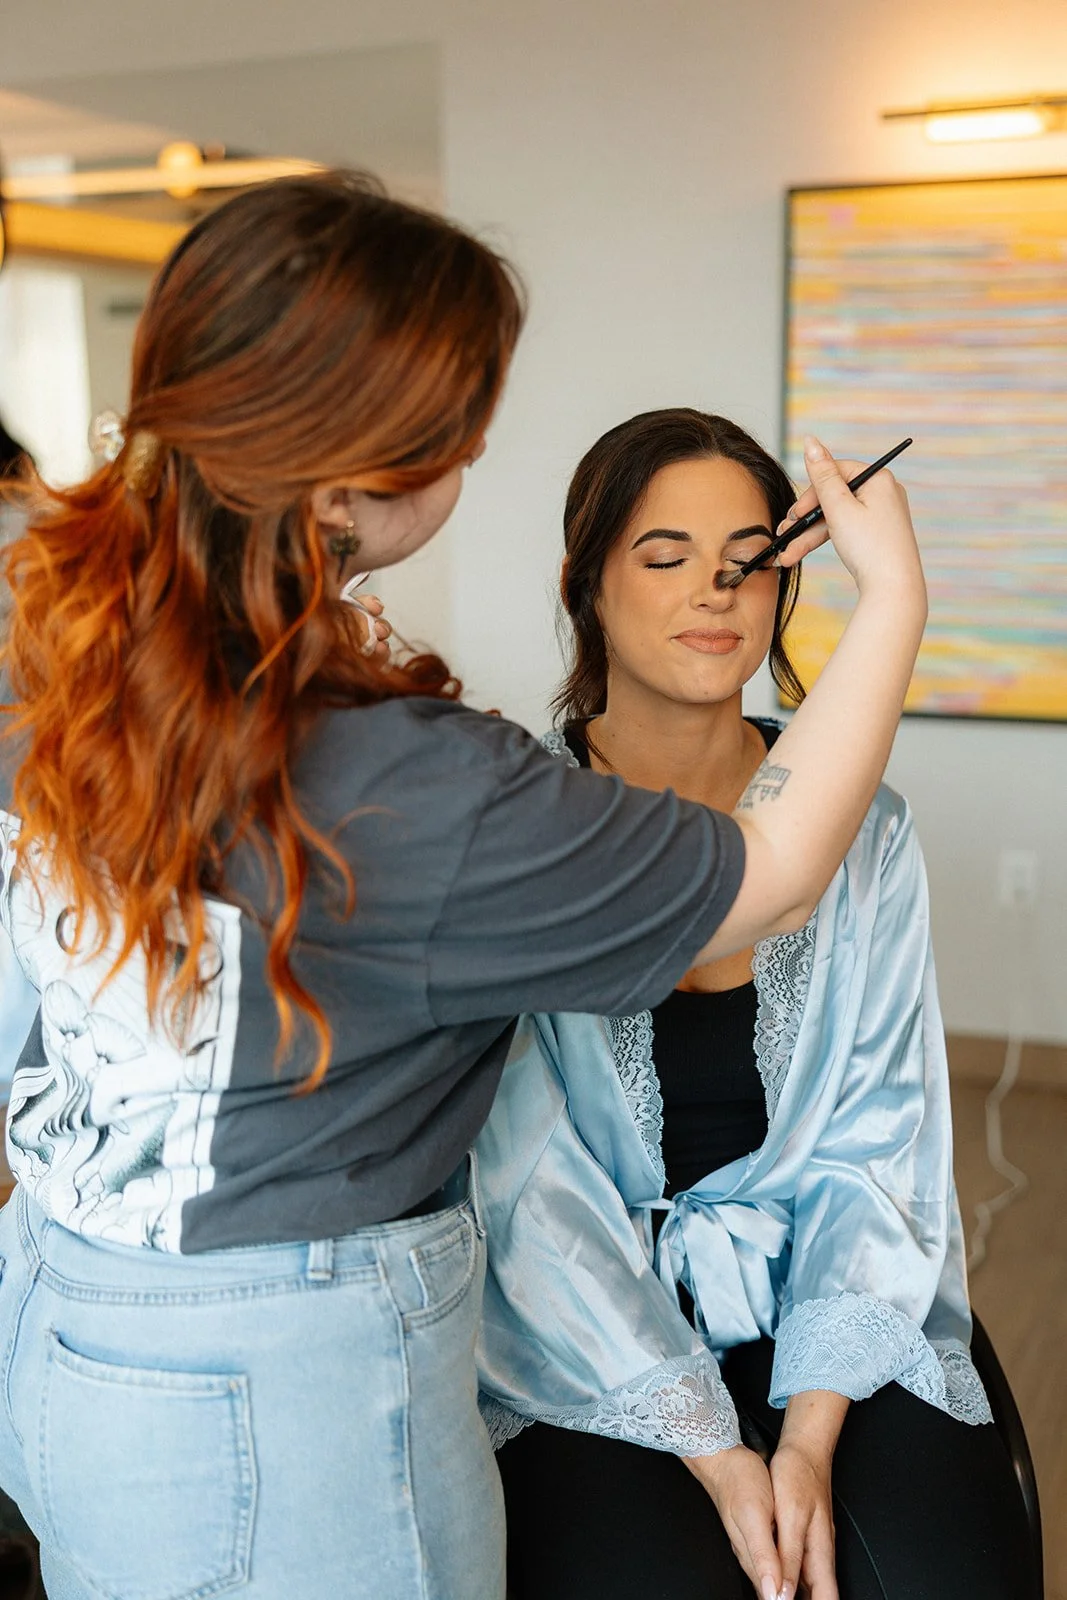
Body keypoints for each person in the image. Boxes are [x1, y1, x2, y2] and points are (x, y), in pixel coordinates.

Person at [0, 174, 926, 1600]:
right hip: (287, 1399)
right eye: (456, 424)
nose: (479, 445)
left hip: (70, 1323)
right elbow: (774, 871)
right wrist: (896, 598)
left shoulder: (50, 631)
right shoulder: (414, 789)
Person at [476, 409, 1037, 1600]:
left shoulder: (866, 834)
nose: (715, 590)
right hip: (583, 1322)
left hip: (828, 1292)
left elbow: (876, 1150)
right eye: (664, 555)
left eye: (748, 558)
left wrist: (806, 1437)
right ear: (585, 582)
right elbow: (527, 1192)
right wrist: (716, 1448)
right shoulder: (516, 826)